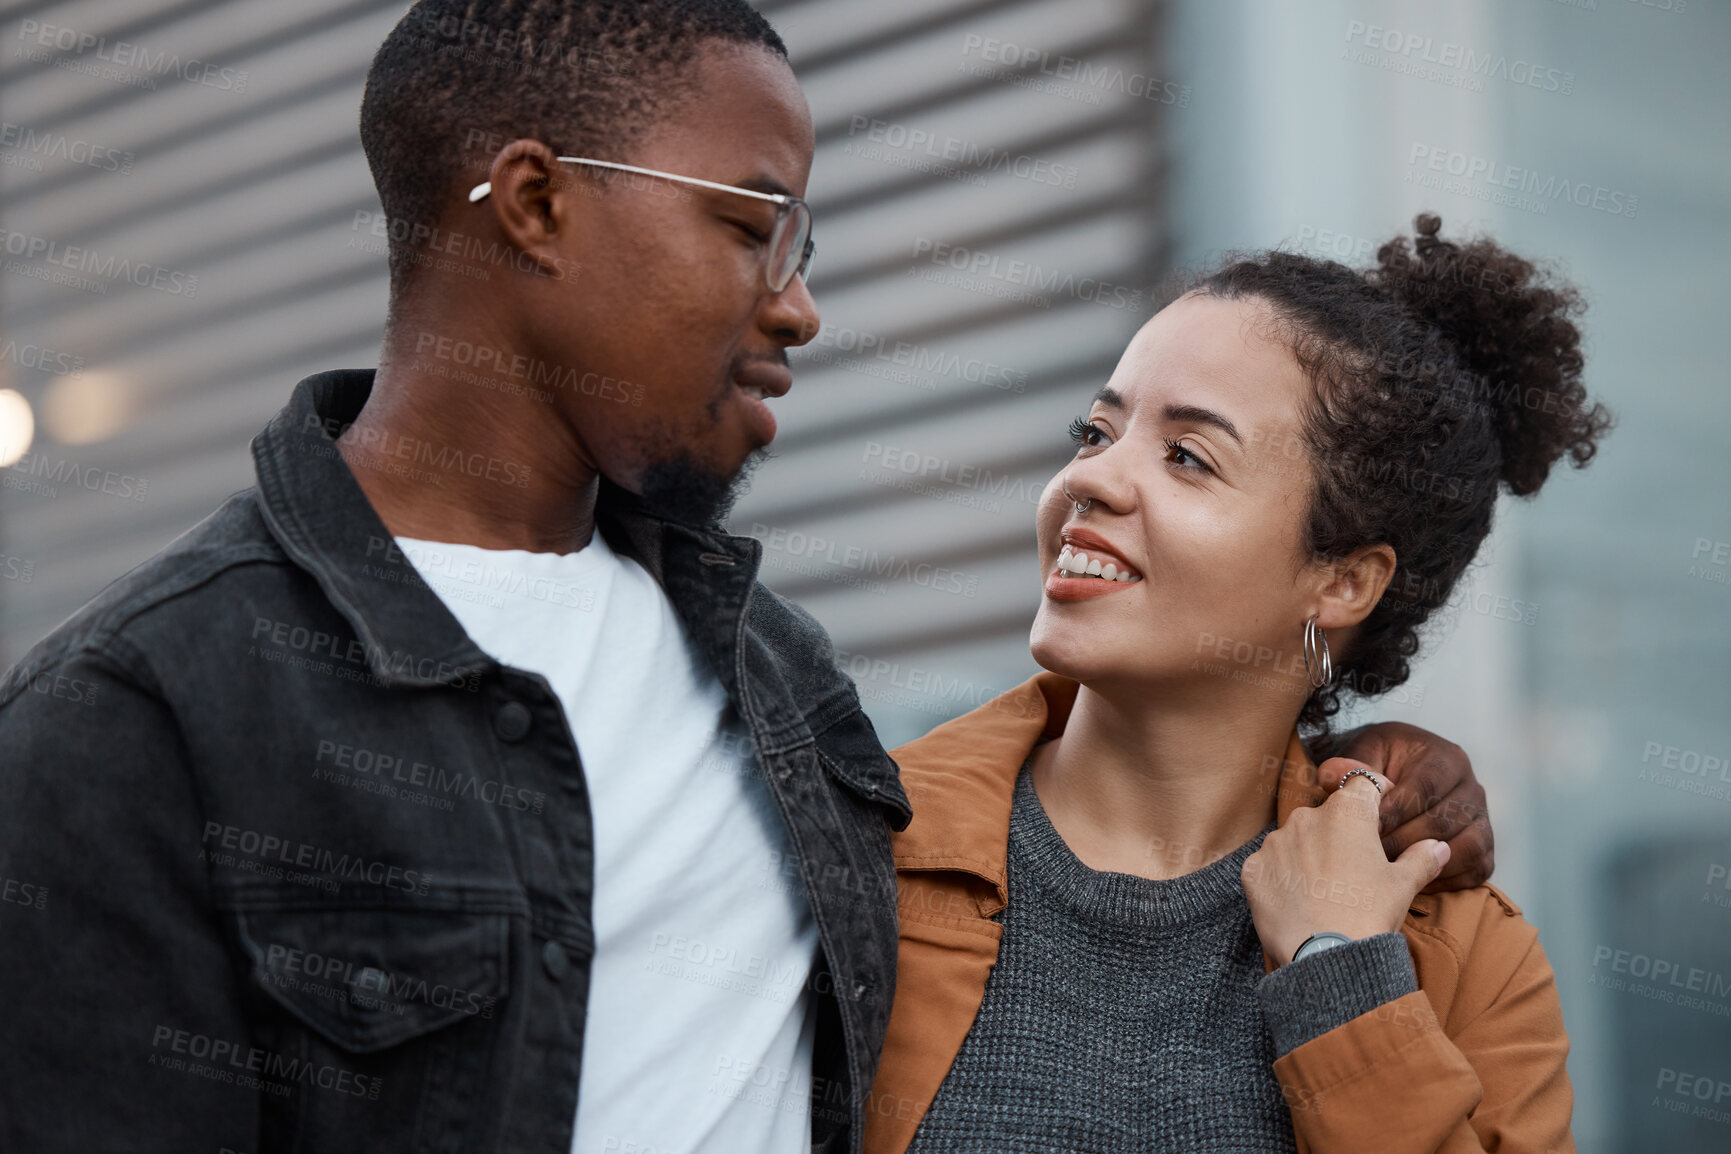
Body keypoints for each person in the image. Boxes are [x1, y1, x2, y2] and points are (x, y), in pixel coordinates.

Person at [0, 1, 1492, 1150]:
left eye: (804, 239)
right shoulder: (136, 717)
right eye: (746, 225)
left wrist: (1352, 762)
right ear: (532, 203)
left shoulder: (775, 674)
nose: (800, 306)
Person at [866, 215, 1610, 1154]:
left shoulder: (1467, 957)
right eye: (1095, 431)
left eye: (1187, 456)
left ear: (1341, 580)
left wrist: (1339, 979)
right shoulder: (860, 844)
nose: (1091, 478)